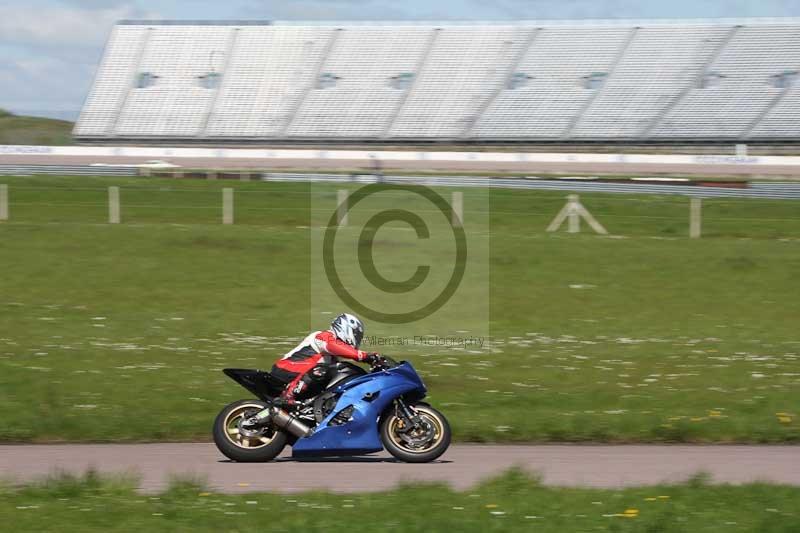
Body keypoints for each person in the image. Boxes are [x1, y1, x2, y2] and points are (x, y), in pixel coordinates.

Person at [270, 313, 380, 407]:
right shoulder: (324, 336)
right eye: (356, 335)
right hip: (285, 369)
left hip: (299, 375)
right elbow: (334, 346)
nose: (357, 338)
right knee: (321, 370)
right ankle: (287, 396)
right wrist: (364, 356)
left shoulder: (333, 356)